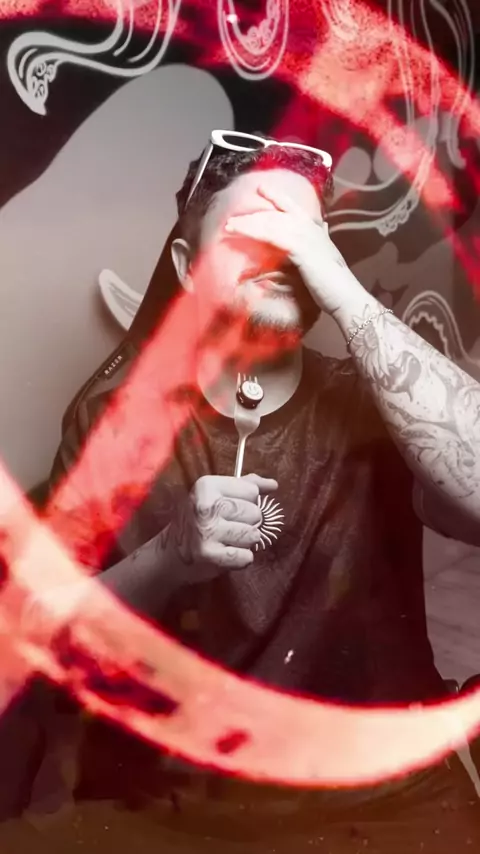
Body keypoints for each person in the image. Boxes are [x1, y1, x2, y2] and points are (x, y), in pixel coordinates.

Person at [45, 131, 480, 852]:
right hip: (174, 801)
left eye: (303, 235)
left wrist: (341, 288)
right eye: (254, 231)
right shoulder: (114, 420)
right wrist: (169, 556)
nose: (283, 253)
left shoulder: (373, 403)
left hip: (381, 796)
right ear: (186, 267)